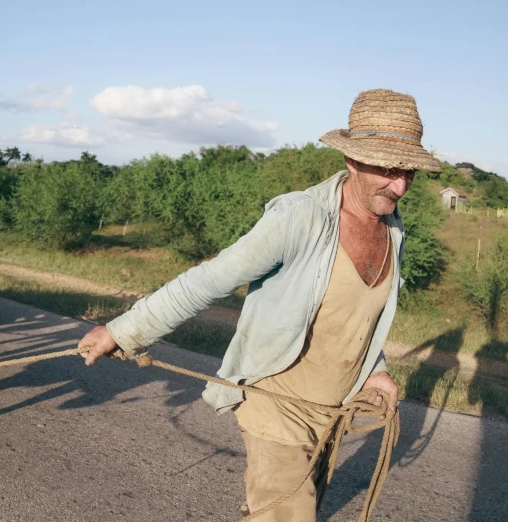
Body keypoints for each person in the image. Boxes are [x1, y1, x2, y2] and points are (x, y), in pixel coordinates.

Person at [77, 88, 442, 521]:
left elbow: (358, 317)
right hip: (276, 404)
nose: (400, 186)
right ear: (352, 160)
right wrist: (121, 332)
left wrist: (376, 371)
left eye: (409, 173)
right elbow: (206, 281)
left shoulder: (392, 230)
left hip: (331, 413)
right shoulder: (299, 217)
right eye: (388, 169)